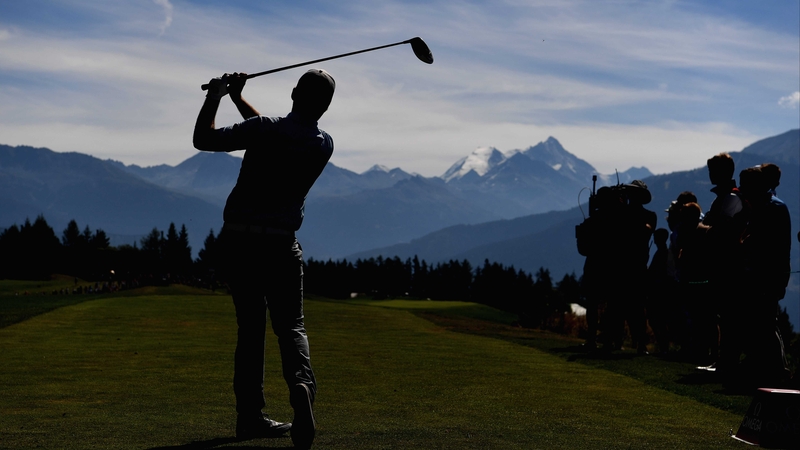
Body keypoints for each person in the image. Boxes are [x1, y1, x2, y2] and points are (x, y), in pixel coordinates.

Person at [193, 69, 336, 448]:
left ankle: (250, 417)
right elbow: (272, 132)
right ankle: (302, 386)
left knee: (251, 330)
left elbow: (203, 139)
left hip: (240, 242)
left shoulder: (263, 129)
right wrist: (238, 99)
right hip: (282, 245)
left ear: (293, 93)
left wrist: (216, 96)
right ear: (325, 106)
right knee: (291, 327)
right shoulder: (323, 144)